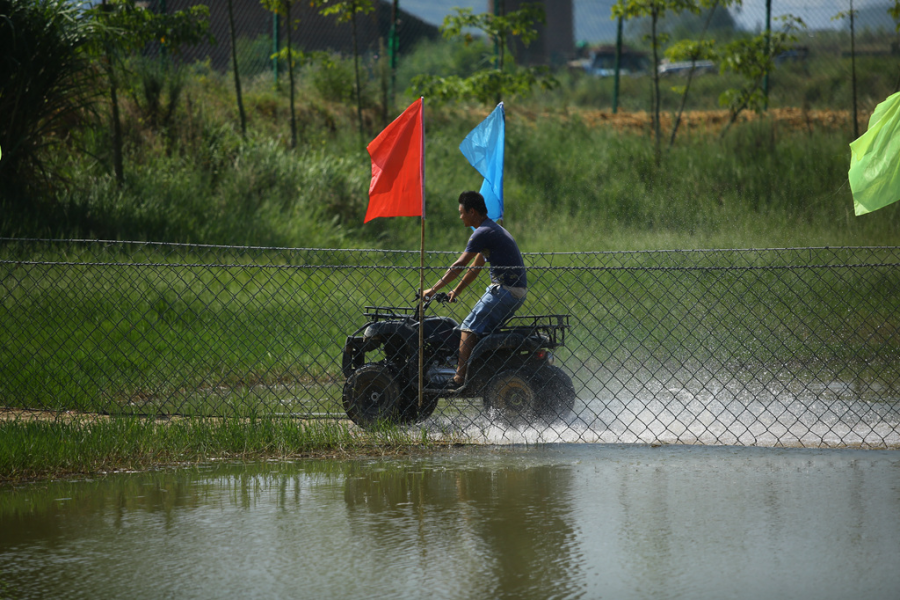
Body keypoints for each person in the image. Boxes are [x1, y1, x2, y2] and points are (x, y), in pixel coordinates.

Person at [423, 191, 527, 389]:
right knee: (483, 331)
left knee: (468, 328)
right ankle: (482, 372)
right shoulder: (491, 229)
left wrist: (433, 289)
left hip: (504, 290)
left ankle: (458, 379)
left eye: (462, 212)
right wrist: (456, 290)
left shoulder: (481, 232)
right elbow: (475, 267)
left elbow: (461, 264)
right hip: (515, 291)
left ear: (472, 211)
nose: (460, 216)